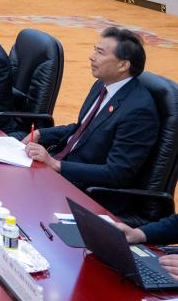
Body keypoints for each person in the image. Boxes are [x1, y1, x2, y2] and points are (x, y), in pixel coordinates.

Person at [24, 27, 158, 193]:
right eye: (95, 50)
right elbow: (82, 128)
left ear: (123, 65)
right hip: (63, 167)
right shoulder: (102, 85)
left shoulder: (138, 111)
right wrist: (41, 134)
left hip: (88, 189)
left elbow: (117, 173)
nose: (92, 57)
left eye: (100, 53)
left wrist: (56, 164)